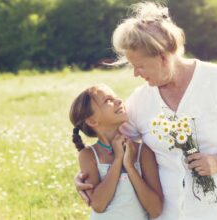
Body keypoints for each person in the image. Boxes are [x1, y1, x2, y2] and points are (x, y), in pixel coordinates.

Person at [75, 2, 217, 219]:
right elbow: (110, 139)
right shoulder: (141, 100)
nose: (135, 73)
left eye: (140, 65)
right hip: (168, 214)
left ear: (163, 57)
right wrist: (85, 177)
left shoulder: (216, 80)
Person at [69, 84, 163, 220]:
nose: (118, 101)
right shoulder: (89, 155)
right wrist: (118, 159)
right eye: (108, 100)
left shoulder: (142, 151)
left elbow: (156, 210)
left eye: (116, 97)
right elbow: (99, 205)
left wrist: (130, 166)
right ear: (92, 120)